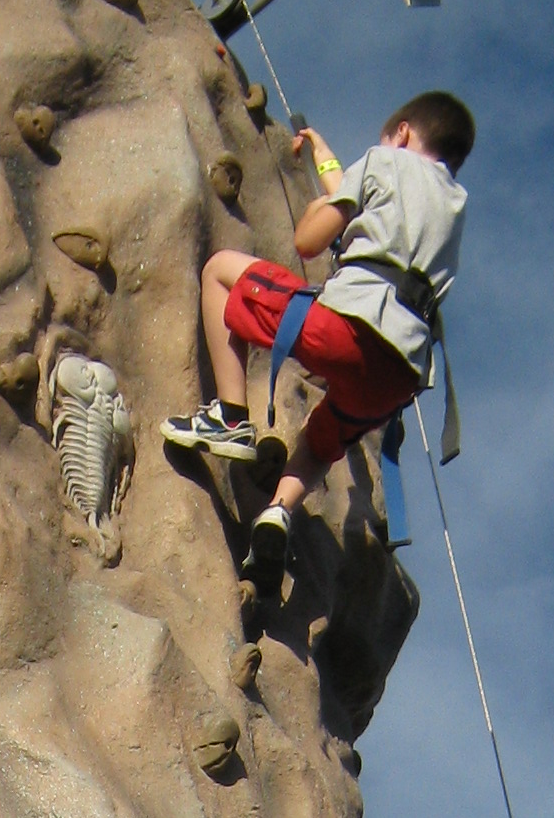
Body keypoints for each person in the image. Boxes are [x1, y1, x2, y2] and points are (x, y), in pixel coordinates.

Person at [164, 88, 472, 576]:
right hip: (397, 376)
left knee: (220, 270)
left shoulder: (383, 161)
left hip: (346, 328)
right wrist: (326, 158)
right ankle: (278, 513)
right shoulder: (454, 206)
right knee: (320, 441)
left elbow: (308, 242)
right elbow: (375, 206)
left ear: (402, 133)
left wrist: (325, 202)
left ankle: (229, 417)